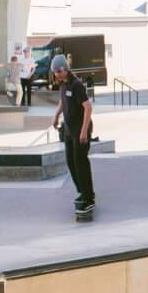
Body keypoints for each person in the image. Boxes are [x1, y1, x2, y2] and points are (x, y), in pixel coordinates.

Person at [50, 52, 96, 217]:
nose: (55, 75)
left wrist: (84, 131)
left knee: (80, 163)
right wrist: (56, 116)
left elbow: (88, 107)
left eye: (57, 72)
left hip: (80, 131)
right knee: (71, 162)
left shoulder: (76, 85)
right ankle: (83, 191)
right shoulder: (63, 84)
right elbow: (63, 101)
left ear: (64, 69)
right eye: (54, 72)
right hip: (69, 130)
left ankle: (88, 197)